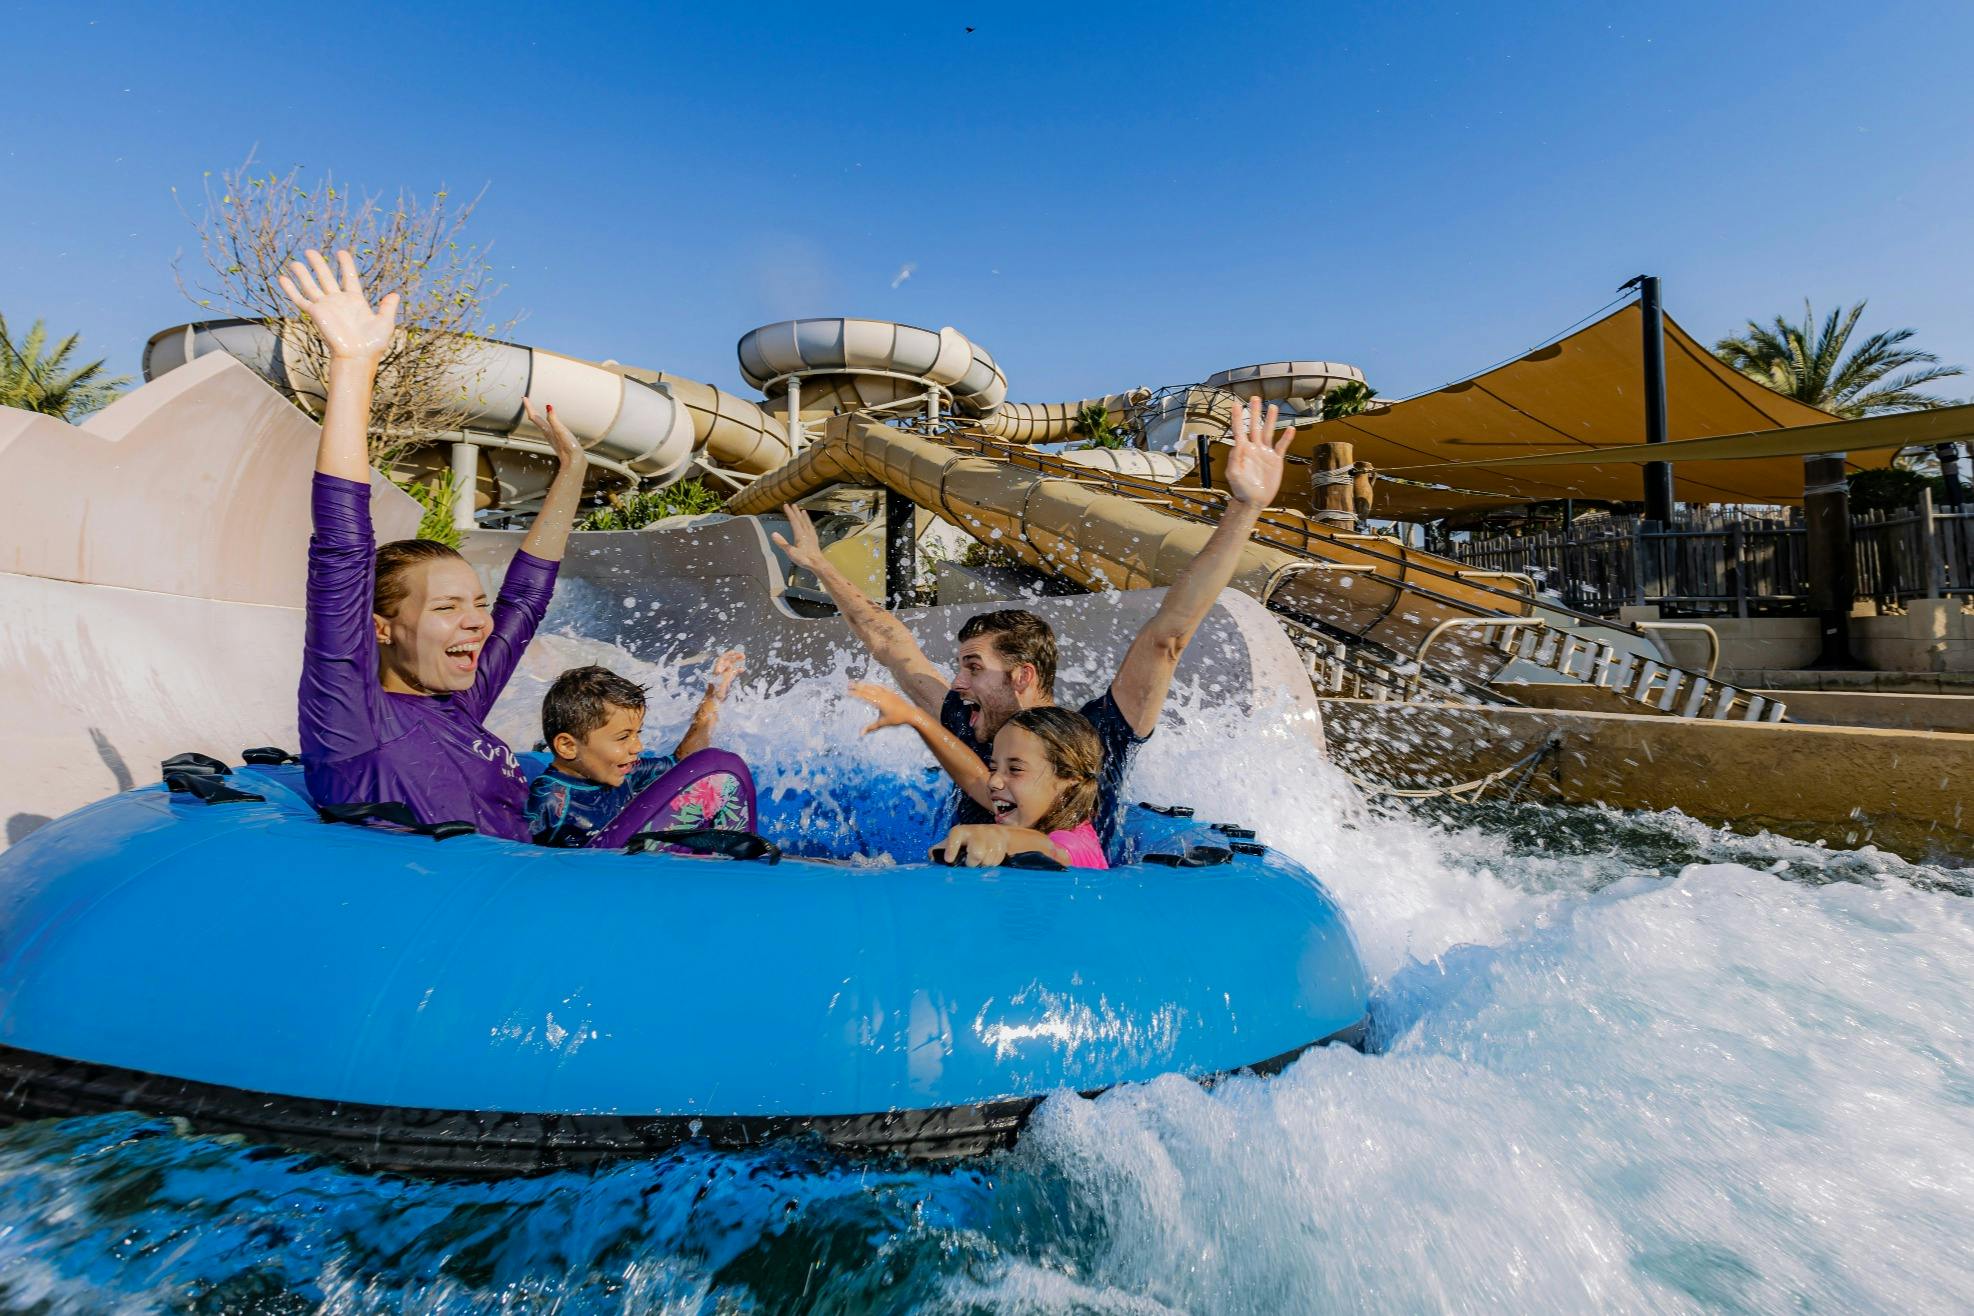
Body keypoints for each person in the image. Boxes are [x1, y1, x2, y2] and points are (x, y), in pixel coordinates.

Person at [774, 396, 1291, 851]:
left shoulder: (1094, 736)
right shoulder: (966, 720)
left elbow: (1167, 639)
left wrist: (1244, 509)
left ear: (1022, 675)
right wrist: (820, 565)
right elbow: (892, 643)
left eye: (974, 667)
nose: (956, 682)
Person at [282, 248, 587, 840]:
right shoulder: (351, 720)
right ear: (380, 626)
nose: (478, 623)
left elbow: (525, 599)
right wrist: (352, 365)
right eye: (448, 607)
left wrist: (571, 467)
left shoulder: (461, 701)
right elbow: (342, 552)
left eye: (476, 603)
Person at [851, 685, 1107, 869]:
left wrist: (999, 837)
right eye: (994, 767)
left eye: (1015, 769)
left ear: (1068, 778)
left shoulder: (1074, 844)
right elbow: (973, 777)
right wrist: (916, 718)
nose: (994, 780)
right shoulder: (1033, 804)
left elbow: (1050, 849)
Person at [527, 654, 747, 848]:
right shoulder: (551, 800)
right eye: (623, 737)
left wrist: (714, 695)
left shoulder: (626, 774)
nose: (638, 747)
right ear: (568, 746)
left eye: (637, 733)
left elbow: (684, 764)